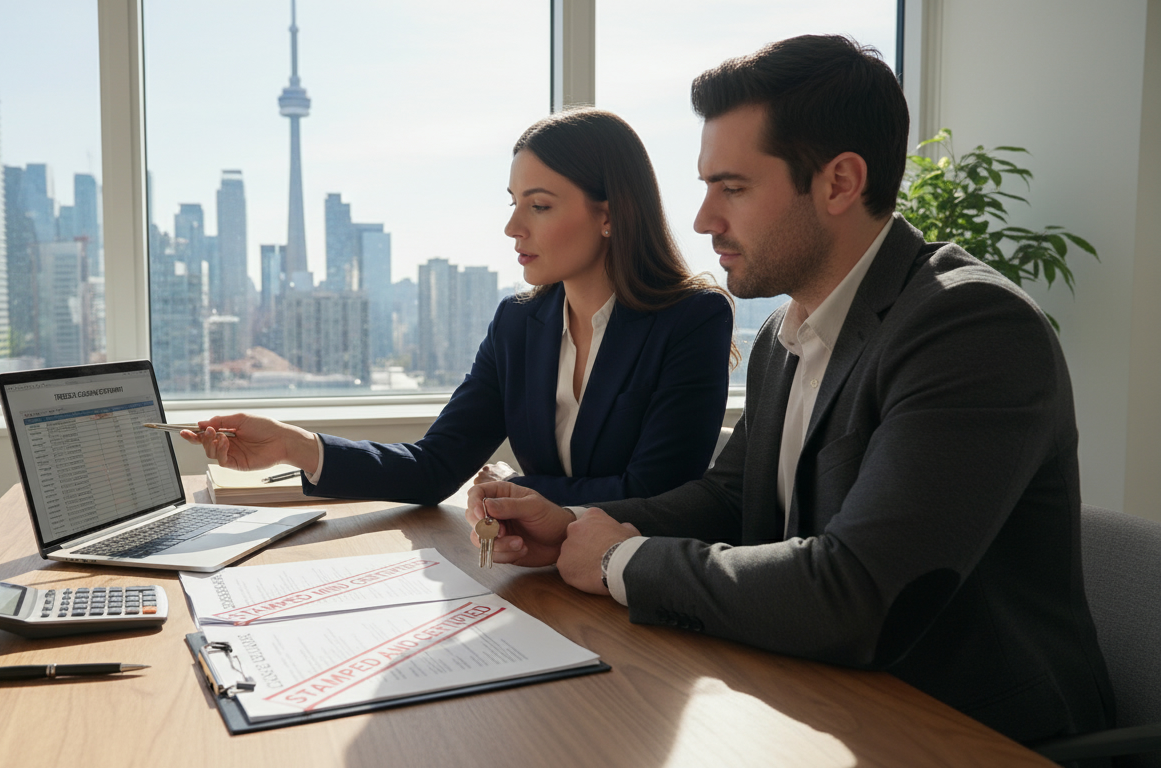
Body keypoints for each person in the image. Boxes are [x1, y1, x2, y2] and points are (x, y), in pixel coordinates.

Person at [466, 36, 1113, 745]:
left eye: (733, 188)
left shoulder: (968, 327)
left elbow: (856, 593)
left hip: (969, 735)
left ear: (839, 183)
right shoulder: (786, 332)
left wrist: (621, 559)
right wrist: (572, 521)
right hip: (821, 700)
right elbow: (730, 499)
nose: (703, 219)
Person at [184, 108, 735, 508]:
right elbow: (435, 467)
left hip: (635, 590)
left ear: (609, 215)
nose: (512, 227)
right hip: (540, 577)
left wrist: (514, 489)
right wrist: (295, 446)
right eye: (514, 203)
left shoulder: (693, 320)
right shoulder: (518, 324)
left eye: (539, 206)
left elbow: (654, 494)